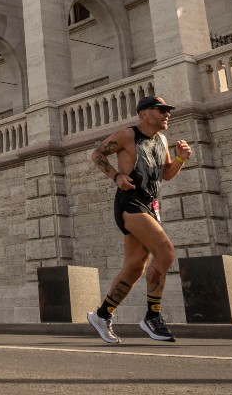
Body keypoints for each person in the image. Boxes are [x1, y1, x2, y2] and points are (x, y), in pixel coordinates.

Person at [86, 96, 192, 344]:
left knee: (135, 266)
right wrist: (115, 177)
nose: (167, 114)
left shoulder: (162, 140)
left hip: (149, 204)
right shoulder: (126, 136)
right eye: (162, 110)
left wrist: (180, 159)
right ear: (144, 113)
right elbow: (96, 154)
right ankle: (152, 316)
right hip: (130, 202)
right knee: (165, 252)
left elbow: (165, 175)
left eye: (168, 110)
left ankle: (102, 315)